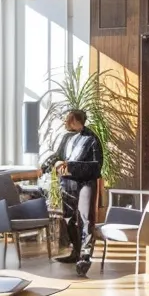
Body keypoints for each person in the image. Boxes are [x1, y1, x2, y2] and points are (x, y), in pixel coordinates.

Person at [41, 109, 103, 276]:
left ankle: (85, 257)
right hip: (67, 183)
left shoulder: (92, 139)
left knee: (85, 219)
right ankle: (75, 252)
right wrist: (48, 165)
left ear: (75, 121)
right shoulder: (66, 137)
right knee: (69, 218)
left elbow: (96, 166)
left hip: (86, 183)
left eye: (67, 119)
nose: (64, 122)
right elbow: (58, 155)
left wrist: (71, 166)